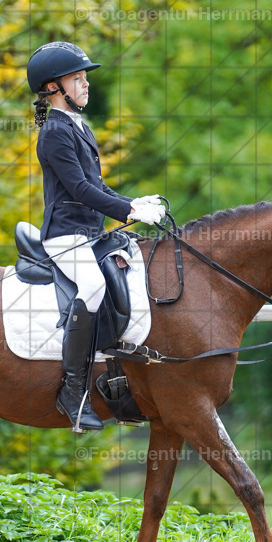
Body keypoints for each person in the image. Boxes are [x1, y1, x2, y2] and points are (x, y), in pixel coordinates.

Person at [26, 41, 165, 432]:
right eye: (77, 78)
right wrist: (129, 212)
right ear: (53, 87)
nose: (86, 84)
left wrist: (132, 202)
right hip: (65, 235)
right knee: (92, 286)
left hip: (89, 233)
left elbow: (97, 186)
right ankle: (73, 391)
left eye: (85, 77)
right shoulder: (55, 132)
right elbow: (79, 190)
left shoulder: (79, 126)